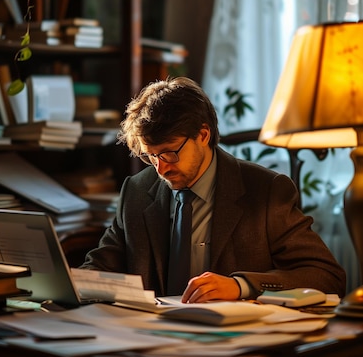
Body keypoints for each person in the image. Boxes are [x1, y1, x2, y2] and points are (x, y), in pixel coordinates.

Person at [82, 76, 346, 303]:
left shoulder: (265, 191)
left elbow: (326, 276)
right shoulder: (138, 192)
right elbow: (100, 267)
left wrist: (240, 286)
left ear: (203, 135)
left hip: (237, 345)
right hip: (150, 339)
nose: (160, 169)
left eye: (170, 153)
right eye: (151, 156)